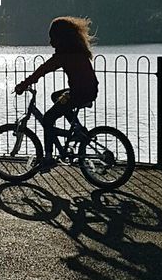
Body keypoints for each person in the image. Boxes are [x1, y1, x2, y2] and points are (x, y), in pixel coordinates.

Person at [14, 16, 99, 168]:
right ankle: (78, 129)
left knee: (47, 119)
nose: (50, 41)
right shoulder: (78, 50)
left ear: (61, 37)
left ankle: (48, 157)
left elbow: (43, 70)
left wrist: (24, 84)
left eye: (52, 37)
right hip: (88, 90)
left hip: (79, 93)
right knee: (56, 97)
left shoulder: (65, 54)